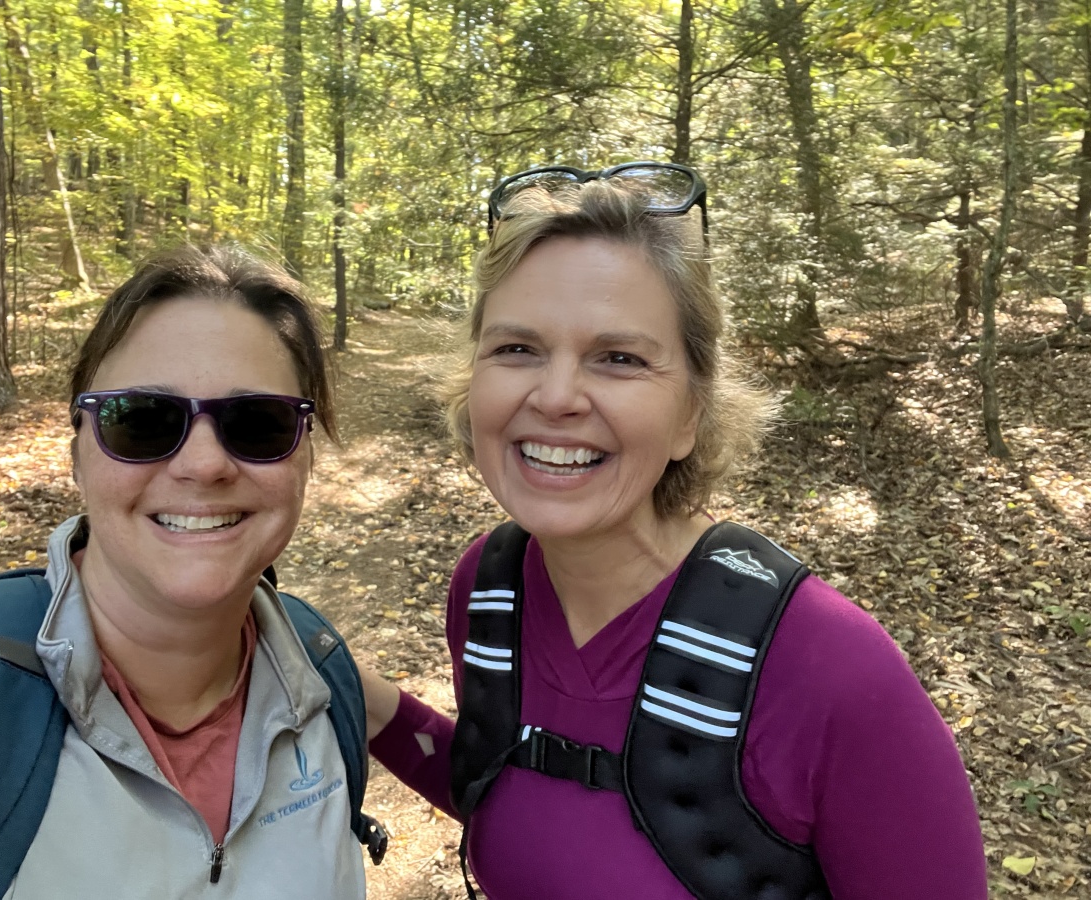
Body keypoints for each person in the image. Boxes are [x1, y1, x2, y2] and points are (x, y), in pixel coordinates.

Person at [361, 163, 988, 899]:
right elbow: (506, 791)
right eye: (517, 348)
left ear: (691, 413)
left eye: (619, 358)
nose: (557, 395)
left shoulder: (830, 670)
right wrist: (342, 681)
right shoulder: (488, 590)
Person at [0, 245, 378, 898]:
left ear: (304, 461)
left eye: (257, 424)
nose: (204, 465)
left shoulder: (319, 678)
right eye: (143, 421)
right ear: (77, 454)